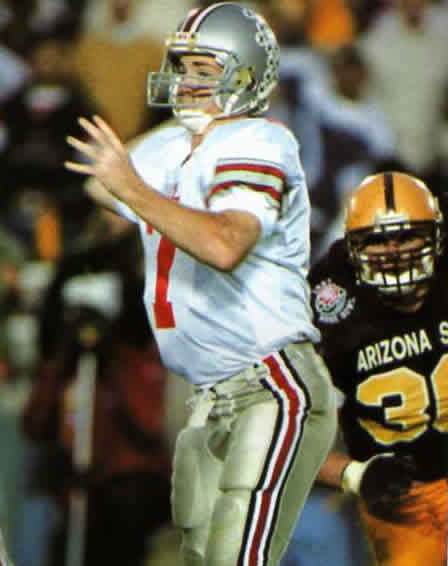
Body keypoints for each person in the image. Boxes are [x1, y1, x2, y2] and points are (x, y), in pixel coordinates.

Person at [63, 3, 338, 566]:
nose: (185, 81)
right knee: (198, 555)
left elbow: (224, 245)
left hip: (271, 382)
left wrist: (135, 189)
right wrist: (144, 169)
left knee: (237, 555)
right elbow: (99, 189)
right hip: (207, 391)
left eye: (204, 69)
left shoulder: (259, 141)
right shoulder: (173, 145)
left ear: (247, 73)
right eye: (182, 65)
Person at [309, 170, 448, 565]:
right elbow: (285, 431)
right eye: (377, 242)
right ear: (354, 250)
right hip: (403, 499)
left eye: (407, 237)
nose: (394, 252)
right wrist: (355, 474)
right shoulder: (329, 304)